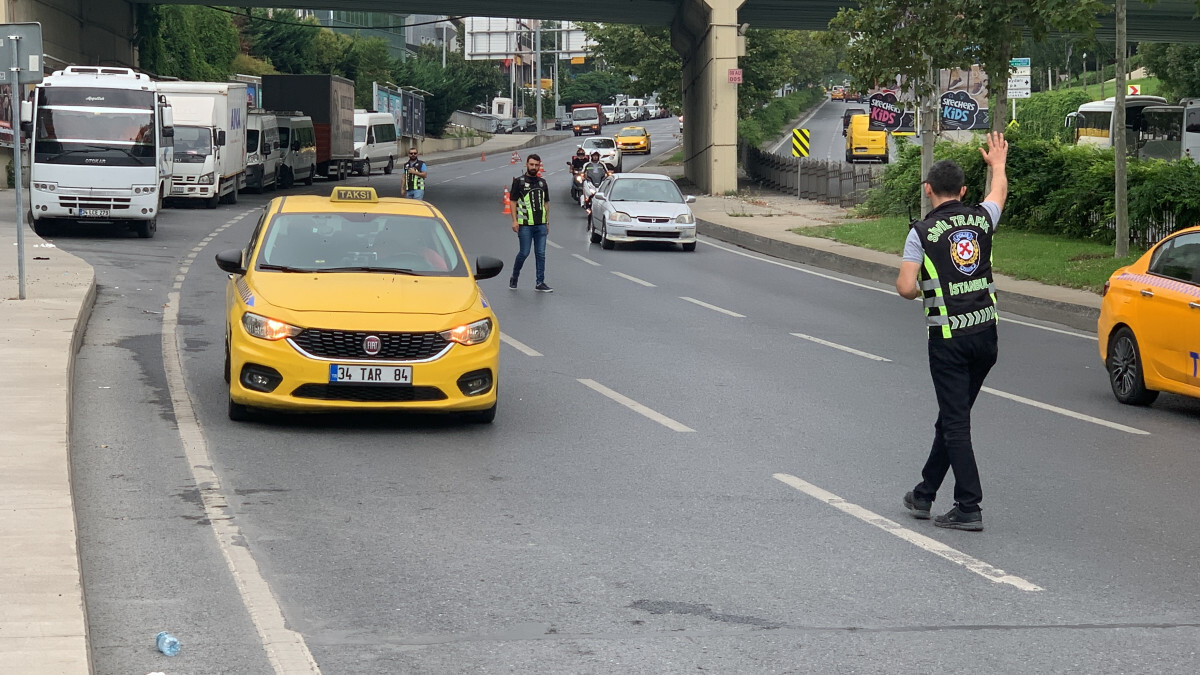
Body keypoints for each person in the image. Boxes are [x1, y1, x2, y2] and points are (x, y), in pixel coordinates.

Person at [896, 131, 1008, 532]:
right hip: (986, 337)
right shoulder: (981, 219)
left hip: (949, 342)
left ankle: (968, 506)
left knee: (956, 422)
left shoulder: (921, 233)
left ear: (928, 190)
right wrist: (998, 165)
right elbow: (998, 193)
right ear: (962, 190)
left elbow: (906, 289)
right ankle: (924, 494)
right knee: (952, 417)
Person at [508, 154, 552, 292]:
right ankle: (514, 277)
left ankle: (540, 282)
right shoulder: (519, 182)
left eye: (536, 165)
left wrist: (547, 222)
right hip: (525, 225)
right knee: (524, 253)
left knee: (541, 253)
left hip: (540, 225)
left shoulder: (542, 183)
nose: (534, 167)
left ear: (539, 165)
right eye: (531, 164)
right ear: (526, 165)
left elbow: (546, 203)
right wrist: (514, 221)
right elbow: (513, 201)